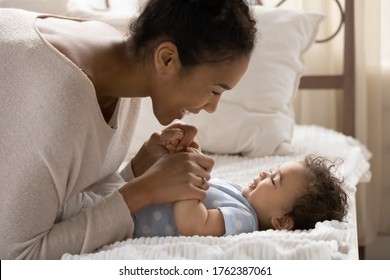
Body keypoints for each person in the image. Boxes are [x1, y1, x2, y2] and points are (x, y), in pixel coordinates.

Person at [0, 0, 257, 259]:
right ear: (166, 59)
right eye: (214, 90)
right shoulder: (63, 99)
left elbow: (72, 199)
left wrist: (140, 168)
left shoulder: (119, 65)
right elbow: (17, 257)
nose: (212, 107)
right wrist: (144, 191)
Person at [133, 128, 349, 237]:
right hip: (141, 192)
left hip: (131, 217)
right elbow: (205, 186)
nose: (265, 173)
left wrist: (189, 179)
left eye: (274, 181)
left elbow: (193, 224)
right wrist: (191, 157)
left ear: (281, 221)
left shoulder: (245, 220)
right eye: (273, 171)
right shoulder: (240, 194)